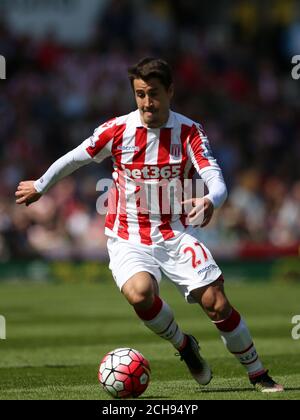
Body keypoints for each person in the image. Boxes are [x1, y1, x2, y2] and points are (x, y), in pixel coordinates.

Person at [15, 57, 283, 393]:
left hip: (176, 232)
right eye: (140, 94)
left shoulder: (188, 131)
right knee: (140, 293)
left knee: (216, 301)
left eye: (153, 94)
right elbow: (75, 157)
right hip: (128, 236)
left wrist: (210, 200)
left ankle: (258, 373)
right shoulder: (117, 130)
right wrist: (41, 185)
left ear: (170, 92)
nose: (146, 102)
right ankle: (184, 345)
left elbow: (216, 178)